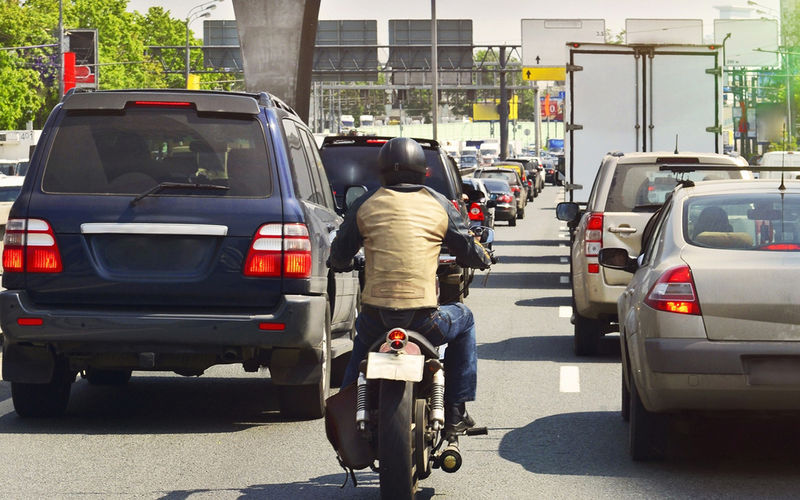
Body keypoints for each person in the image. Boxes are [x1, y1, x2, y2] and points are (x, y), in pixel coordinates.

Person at [329, 137, 493, 437]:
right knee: (465, 319)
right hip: (425, 320)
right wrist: (483, 257)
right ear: (422, 170)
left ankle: (344, 413)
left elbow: (339, 254)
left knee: (358, 357)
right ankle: (456, 411)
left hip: (375, 319)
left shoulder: (364, 204)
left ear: (381, 171)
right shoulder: (439, 204)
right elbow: (468, 249)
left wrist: (339, 263)